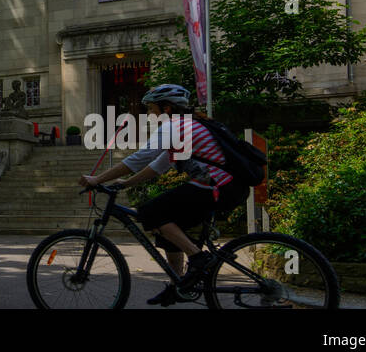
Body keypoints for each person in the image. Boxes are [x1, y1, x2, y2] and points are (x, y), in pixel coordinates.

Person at [78, 84, 248, 307]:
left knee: (151, 212)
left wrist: (97, 179)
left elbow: (140, 158)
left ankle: (199, 258)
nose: (149, 114)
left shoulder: (175, 126)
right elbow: (160, 164)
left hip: (219, 186)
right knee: (167, 229)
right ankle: (179, 285)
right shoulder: (186, 125)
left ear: (166, 108)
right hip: (223, 187)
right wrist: (127, 183)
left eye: (151, 109)